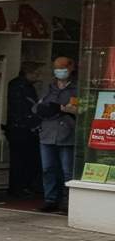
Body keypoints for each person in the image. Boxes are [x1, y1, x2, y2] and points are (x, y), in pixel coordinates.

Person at [36, 56, 79, 213]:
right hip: (47, 132)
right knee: (48, 168)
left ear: (71, 68)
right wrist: (42, 108)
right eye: (56, 68)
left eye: (62, 68)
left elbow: (82, 109)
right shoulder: (49, 88)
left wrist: (65, 109)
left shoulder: (77, 88)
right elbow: (37, 106)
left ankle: (68, 202)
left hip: (67, 133)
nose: (59, 71)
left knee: (67, 170)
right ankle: (50, 200)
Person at [5, 64, 42, 198]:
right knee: (22, 160)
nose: (38, 77)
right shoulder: (21, 87)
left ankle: (20, 187)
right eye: (36, 73)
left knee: (21, 160)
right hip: (22, 128)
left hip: (19, 127)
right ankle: (20, 188)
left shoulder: (19, 85)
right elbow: (25, 108)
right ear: (28, 73)